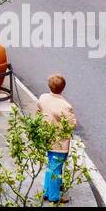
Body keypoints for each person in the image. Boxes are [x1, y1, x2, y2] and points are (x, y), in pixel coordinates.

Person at [34, 76, 77, 204]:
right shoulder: (65, 106)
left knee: (50, 166)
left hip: (46, 137)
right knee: (56, 168)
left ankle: (46, 192)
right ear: (63, 88)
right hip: (59, 142)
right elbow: (72, 124)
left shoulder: (43, 98)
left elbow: (38, 111)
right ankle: (54, 196)